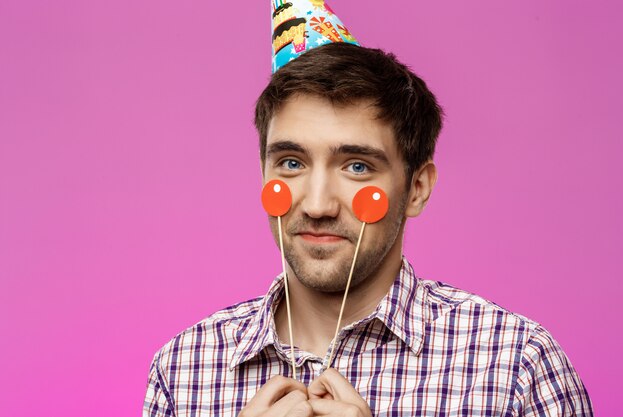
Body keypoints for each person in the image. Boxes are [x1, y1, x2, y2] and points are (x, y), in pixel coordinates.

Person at [143, 4, 594, 417]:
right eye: (292, 163)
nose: (317, 205)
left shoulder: (516, 368)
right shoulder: (182, 371)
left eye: (357, 166)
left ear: (417, 188)